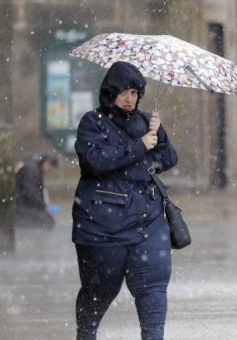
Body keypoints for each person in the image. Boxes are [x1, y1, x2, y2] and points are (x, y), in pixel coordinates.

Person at [71, 61, 178, 340]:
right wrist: (139, 145)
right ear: (109, 94)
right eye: (122, 93)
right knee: (98, 292)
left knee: (154, 288)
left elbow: (167, 160)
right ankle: (86, 334)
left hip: (148, 223)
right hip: (102, 226)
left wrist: (159, 134)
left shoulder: (145, 122)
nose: (129, 99)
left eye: (134, 92)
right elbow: (95, 162)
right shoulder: (92, 123)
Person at [14, 154, 58, 228]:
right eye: (49, 169)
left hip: (25, 204)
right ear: (47, 163)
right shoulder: (32, 170)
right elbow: (31, 193)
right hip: (23, 206)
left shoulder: (35, 166)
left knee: (48, 221)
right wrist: (43, 206)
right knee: (47, 223)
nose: (48, 172)